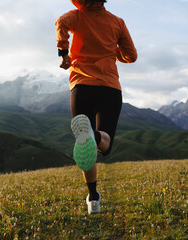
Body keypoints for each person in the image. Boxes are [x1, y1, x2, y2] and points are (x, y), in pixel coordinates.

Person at [55, 0, 137, 214]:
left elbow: (61, 22)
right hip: (110, 88)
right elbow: (131, 56)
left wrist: (64, 52)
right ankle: (96, 137)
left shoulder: (77, 16)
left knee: (85, 141)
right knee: (104, 144)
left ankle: (93, 197)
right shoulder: (117, 22)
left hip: (82, 86)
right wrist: (112, 50)